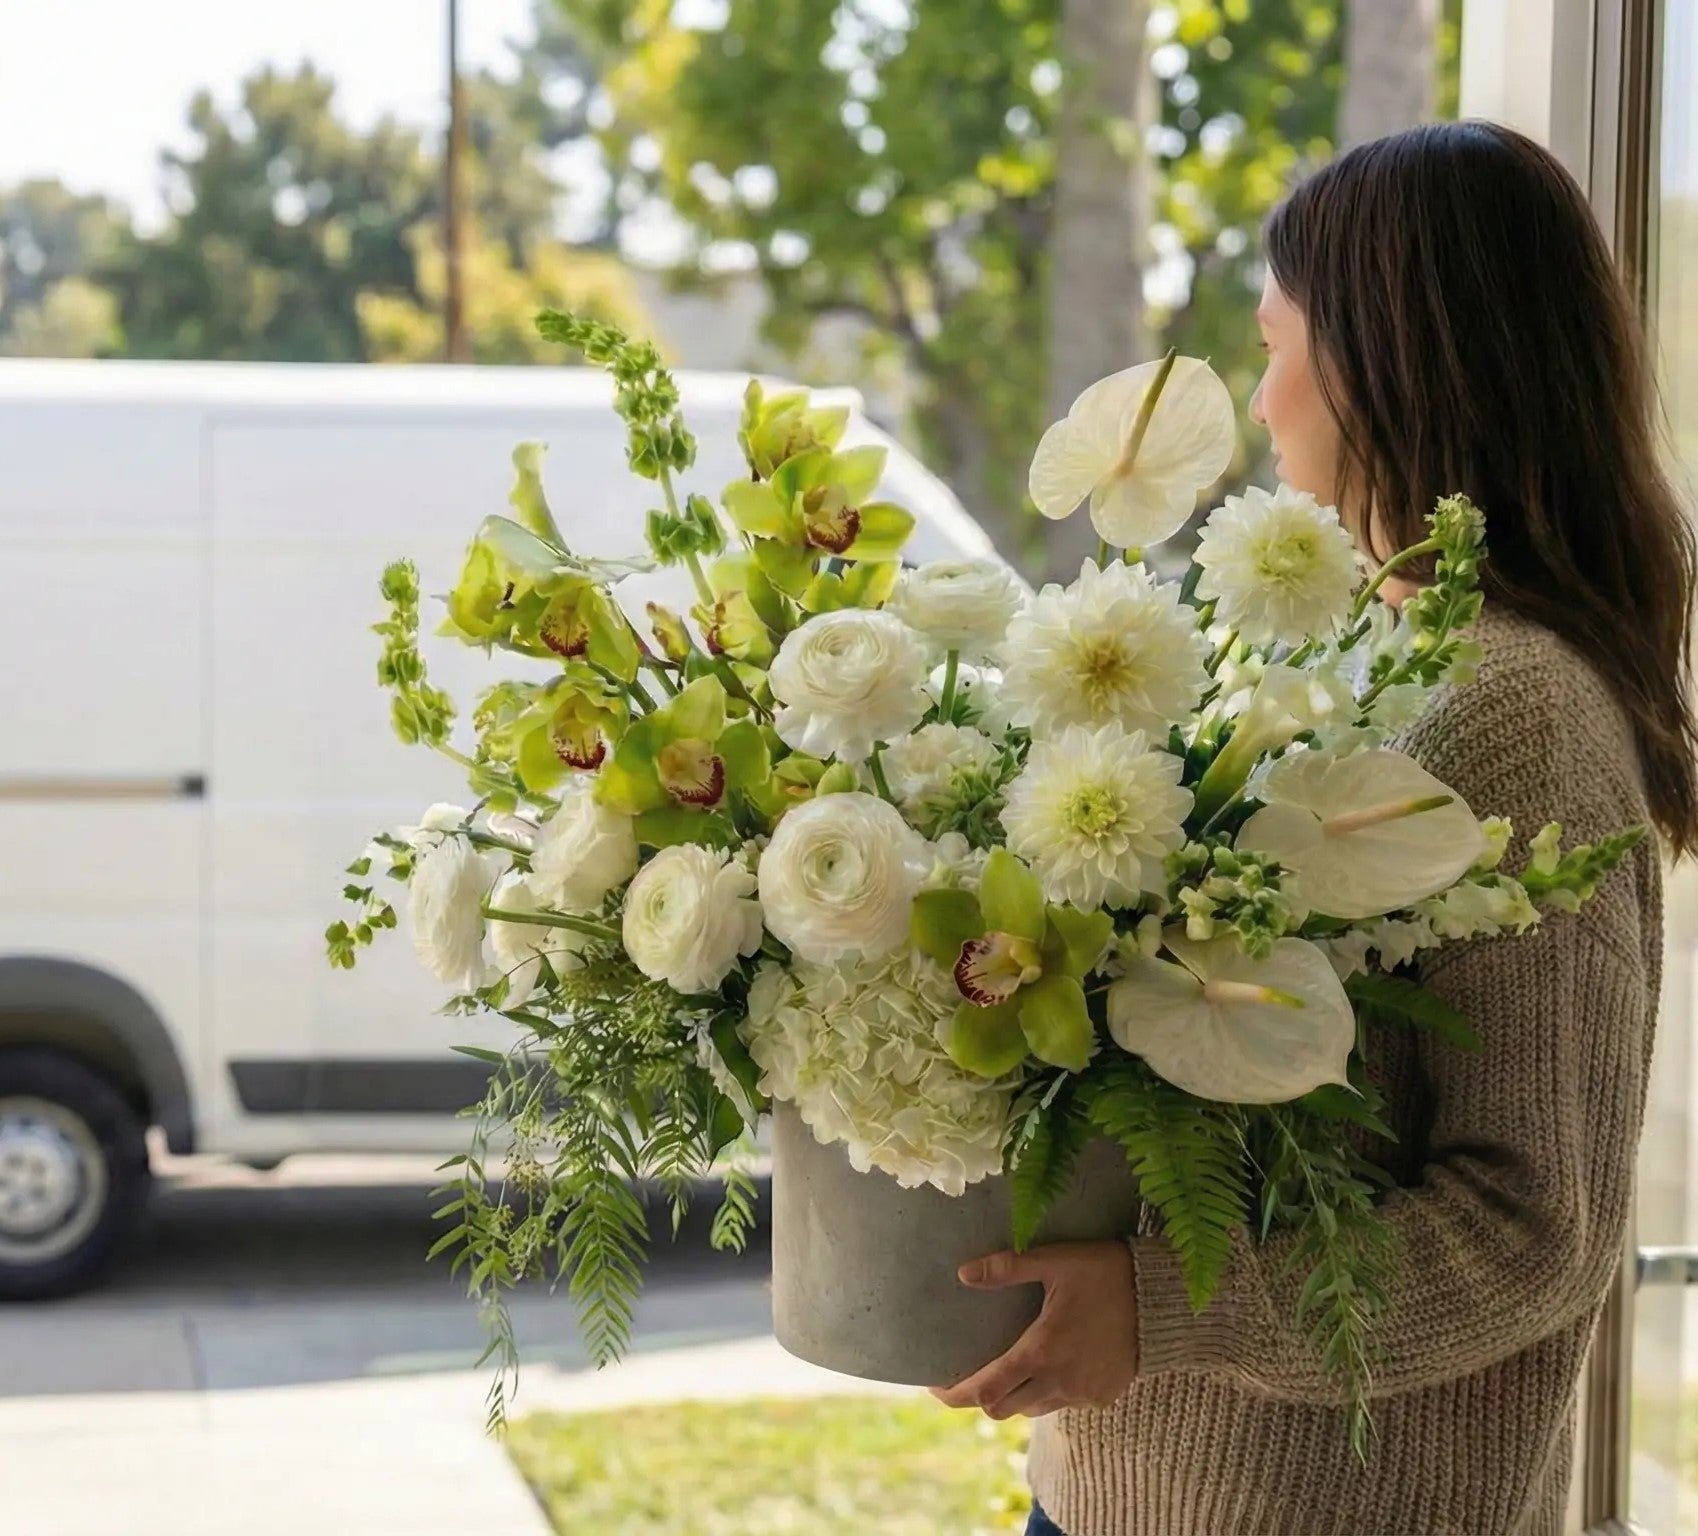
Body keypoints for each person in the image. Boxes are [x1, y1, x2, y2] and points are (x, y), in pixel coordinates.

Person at [932, 121, 1696, 1536]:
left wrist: (1160, 1311)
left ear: (1383, 363)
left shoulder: (1515, 710)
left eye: (1278, 341)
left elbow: (1537, 1228)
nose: (1263, 398)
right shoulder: (1357, 661)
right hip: (1113, 1500)